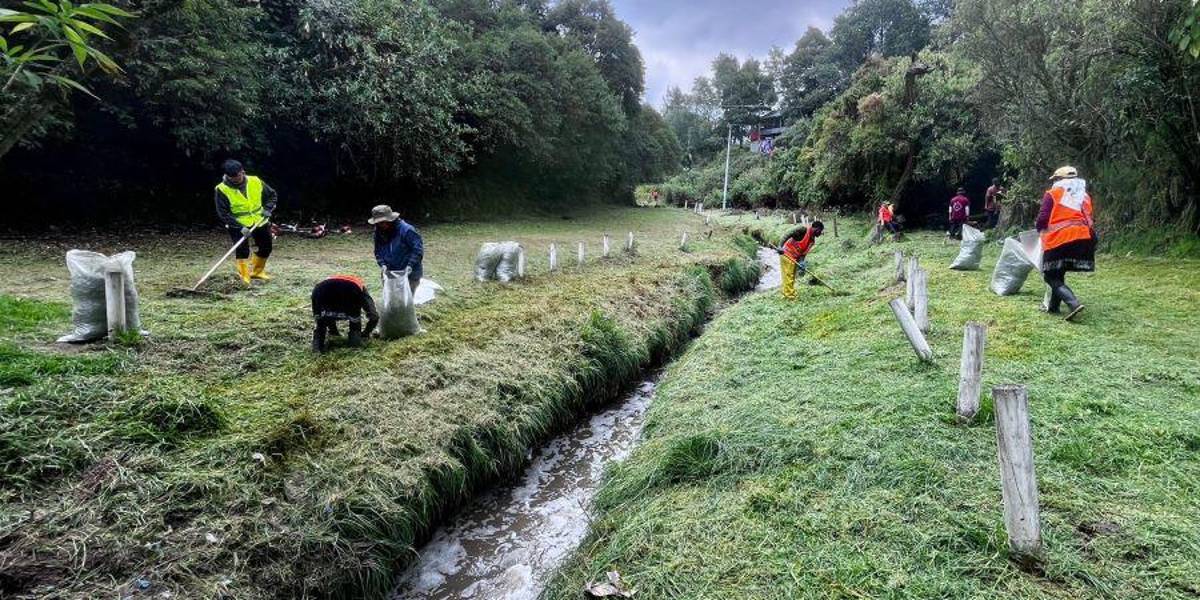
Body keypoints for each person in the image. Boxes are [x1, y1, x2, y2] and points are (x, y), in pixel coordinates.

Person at [1037, 166, 1095, 321]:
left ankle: (1073, 304)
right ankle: (1053, 307)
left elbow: (1043, 218)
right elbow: (1089, 217)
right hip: (1083, 238)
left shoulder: (1053, 193)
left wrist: (1039, 230)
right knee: (1058, 271)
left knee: (1049, 276)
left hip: (1060, 238)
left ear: (1058, 180)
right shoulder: (1084, 196)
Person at [214, 159, 278, 284]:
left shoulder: (255, 181)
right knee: (242, 250)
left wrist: (267, 209)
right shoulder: (221, 189)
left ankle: (257, 272)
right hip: (237, 224)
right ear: (226, 175)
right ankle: (244, 276)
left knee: (266, 247)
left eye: (237, 176)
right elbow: (223, 213)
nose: (235, 180)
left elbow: (272, 195)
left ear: (242, 172)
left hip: (259, 220)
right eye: (232, 178)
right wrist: (239, 227)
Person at [311, 274, 379, 353]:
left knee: (322, 320)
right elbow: (374, 316)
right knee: (355, 324)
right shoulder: (360, 287)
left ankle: (317, 349)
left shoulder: (323, 285)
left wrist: (319, 320)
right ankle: (354, 343)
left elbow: (318, 315)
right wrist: (365, 334)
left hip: (321, 291)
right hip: (351, 293)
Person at [370, 204, 424, 294]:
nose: (381, 225)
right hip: (390, 272)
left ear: (390, 219)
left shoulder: (406, 230)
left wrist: (410, 266)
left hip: (409, 274)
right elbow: (378, 250)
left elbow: (417, 250)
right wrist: (382, 264)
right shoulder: (378, 231)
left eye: (383, 222)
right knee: (391, 298)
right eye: (378, 223)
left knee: (407, 299)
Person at [776, 221, 824, 300]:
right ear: (815, 228)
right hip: (786, 254)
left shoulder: (812, 241)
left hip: (794, 258)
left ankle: (788, 293)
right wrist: (780, 246)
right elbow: (788, 234)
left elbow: (803, 254)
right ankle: (789, 296)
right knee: (788, 276)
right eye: (820, 230)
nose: (820, 233)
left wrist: (802, 262)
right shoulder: (803, 230)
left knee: (792, 276)